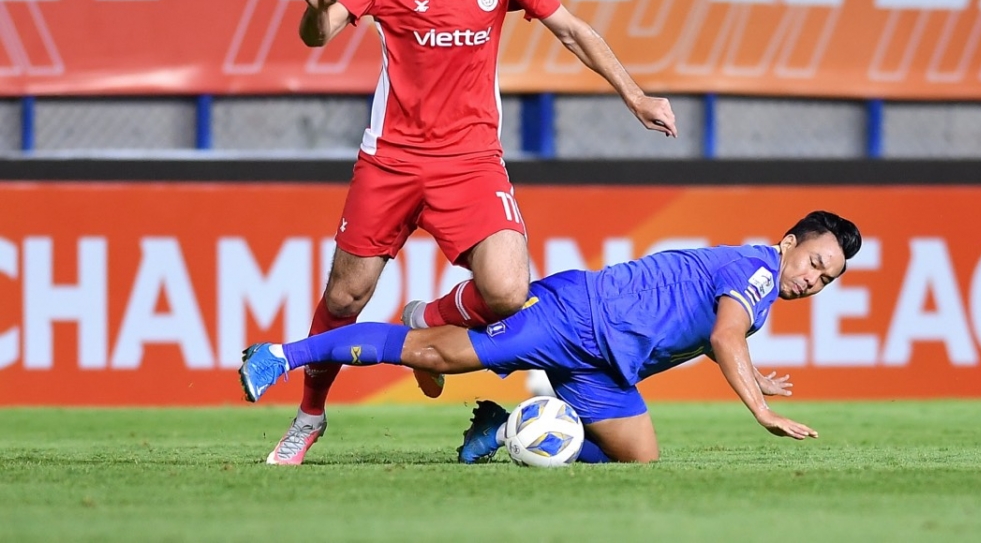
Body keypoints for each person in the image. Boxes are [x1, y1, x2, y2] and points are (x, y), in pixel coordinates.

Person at [279, 0, 677, 466]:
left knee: (509, 291)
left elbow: (570, 30)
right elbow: (319, 33)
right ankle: (310, 416)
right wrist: (316, 8)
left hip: (470, 160)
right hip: (391, 159)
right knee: (346, 297)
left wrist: (636, 94)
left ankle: (425, 316)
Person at [239, 211, 862, 464]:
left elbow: (702, 338)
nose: (813, 280)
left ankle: (507, 429)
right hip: (576, 318)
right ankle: (280, 355)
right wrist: (759, 405)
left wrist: (751, 372)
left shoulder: (759, 291)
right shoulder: (756, 271)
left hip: (602, 366)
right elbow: (725, 338)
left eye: (827, 279)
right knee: (435, 355)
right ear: (788, 243)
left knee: (640, 459)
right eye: (813, 263)